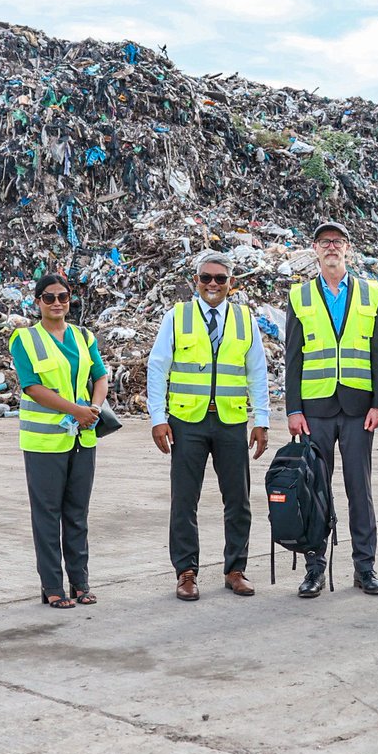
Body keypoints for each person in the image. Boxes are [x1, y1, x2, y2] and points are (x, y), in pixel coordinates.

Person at [147, 251, 270, 601]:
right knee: (185, 500)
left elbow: (257, 372)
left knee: (238, 499)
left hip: (231, 420)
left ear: (231, 283)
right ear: (195, 281)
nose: (212, 284)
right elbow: (158, 368)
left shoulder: (246, 319)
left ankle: (235, 569)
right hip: (187, 422)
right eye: (206, 278)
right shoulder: (177, 316)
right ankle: (186, 572)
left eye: (220, 278)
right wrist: (158, 418)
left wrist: (261, 420)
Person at [286, 221, 378, 598]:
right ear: (314, 249)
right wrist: (292, 410)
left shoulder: (371, 293)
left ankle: (365, 568)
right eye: (324, 242)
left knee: (359, 489)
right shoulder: (300, 296)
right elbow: (293, 356)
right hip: (314, 410)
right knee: (315, 491)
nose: (332, 247)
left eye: (338, 242)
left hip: (359, 408)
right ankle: (314, 569)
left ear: (348, 248)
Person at [8, 274, 108, 608]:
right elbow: (32, 386)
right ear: (37, 302)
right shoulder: (24, 339)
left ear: (69, 300)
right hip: (44, 443)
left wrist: (93, 407)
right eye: (48, 298)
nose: (56, 304)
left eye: (62, 297)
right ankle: (52, 585)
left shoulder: (83, 335)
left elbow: (100, 376)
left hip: (83, 437)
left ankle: (80, 582)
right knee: (47, 514)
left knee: (77, 513)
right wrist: (76, 410)